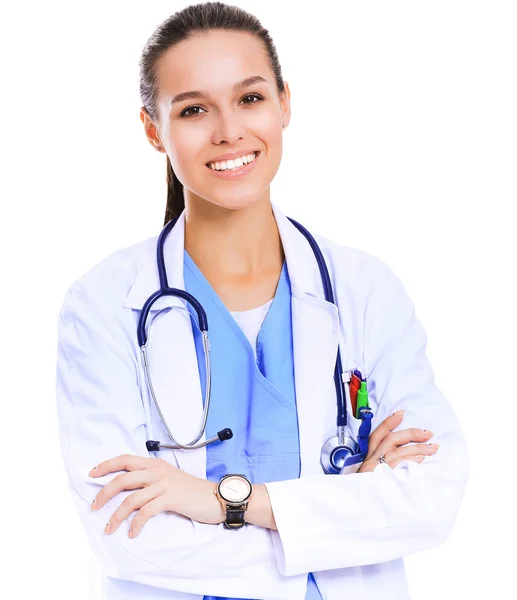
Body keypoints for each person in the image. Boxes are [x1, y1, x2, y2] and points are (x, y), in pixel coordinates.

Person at [55, 2, 470, 599]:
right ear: (153, 129)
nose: (229, 130)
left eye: (250, 98)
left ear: (284, 104)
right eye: (194, 109)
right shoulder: (103, 306)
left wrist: (224, 502)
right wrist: (343, 520)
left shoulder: (363, 291)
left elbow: (431, 498)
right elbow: (125, 534)